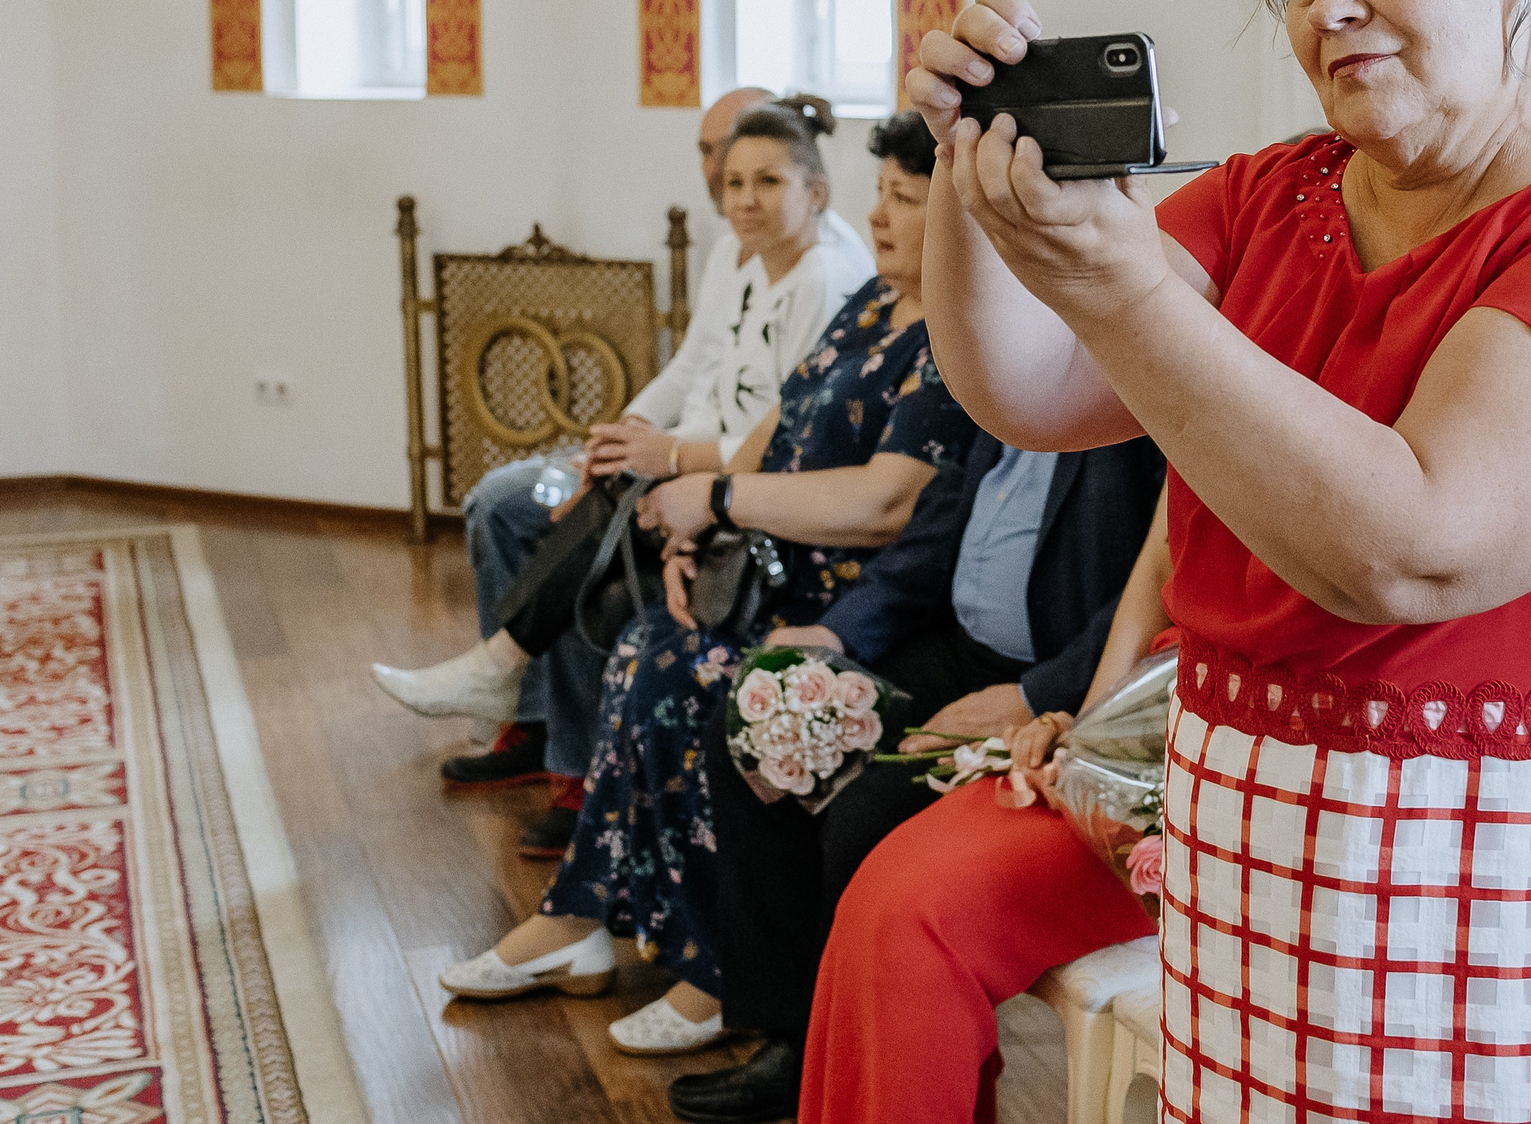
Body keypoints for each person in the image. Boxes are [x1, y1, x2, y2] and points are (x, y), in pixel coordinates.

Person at [900, 0, 1531, 1122]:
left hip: (1501, 879)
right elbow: (1030, 385)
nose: (1329, 1)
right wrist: (973, 178)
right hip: (1256, 832)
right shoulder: (1270, 197)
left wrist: (1121, 285)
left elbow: (1416, 551)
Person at [432, 115, 983, 1058]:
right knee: (649, 644)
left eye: (901, 195)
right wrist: (708, 519)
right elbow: (784, 411)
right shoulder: (871, 306)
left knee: (681, 673)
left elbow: (888, 503)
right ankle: (588, 921)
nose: (876, 213)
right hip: (773, 565)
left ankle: (712, 961)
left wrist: (719, 492)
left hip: (854, 605)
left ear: (958, 214)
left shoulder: (955, 338)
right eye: (881, 190)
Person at [372, 93, 871, 853]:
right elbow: (692, 370)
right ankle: (528, 720)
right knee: (502, 500)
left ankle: (547, 736)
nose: (733, 191)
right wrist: (617, 436)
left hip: (709, 471)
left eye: (761, 178)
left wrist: (661, 457)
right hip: (673, 445)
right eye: (723, 169)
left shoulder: (823, 277)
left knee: (563, 528)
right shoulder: (736, 252)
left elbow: (779, 434)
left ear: (813, 187)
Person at [661, 444, 1165, 1124]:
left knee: (865, 816)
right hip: (956, 650)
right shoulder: (1002, 386)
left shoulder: (1120, 402)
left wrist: (1034, 695)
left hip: (1052, 676)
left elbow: (1147, 587)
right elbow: (932, 536)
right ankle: (789, 1033)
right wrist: (838, 632)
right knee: (759, 719)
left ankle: (852, 1059)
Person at [795, 509, 1176, 1124]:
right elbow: (1158, 568)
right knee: (886, 890)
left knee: (917, 922)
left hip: (1238, 766)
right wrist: (1089, 737)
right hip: (1141, 730)